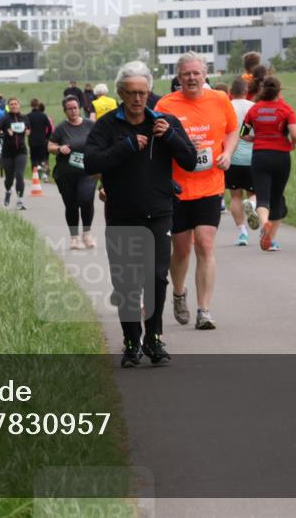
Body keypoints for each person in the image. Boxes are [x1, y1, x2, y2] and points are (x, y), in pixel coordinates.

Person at [84, 61, 197, 368]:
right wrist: (127, 146)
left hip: (159, 212)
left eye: (143, 93)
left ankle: (154, 338)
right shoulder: (107, 126)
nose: (137, 99)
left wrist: (171, 137)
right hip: (121, 214)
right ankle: (132, 341)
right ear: (121, 93)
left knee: (157, 278)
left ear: (150, 93)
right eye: (131, 93)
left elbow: (190, 161)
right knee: (127, 282)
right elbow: (91, 163)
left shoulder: (165, 121)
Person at [156, 52, 238, 330]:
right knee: (181, 251)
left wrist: (227, 153)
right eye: (186, 74)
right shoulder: (166, 105)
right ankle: (179, 293)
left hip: (210, 185)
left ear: (205, 75)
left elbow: (232, 130)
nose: (191, 78)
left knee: (205, 244)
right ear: (178, 78)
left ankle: (204, 310)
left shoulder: (219, 99)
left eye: (196, 73)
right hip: (178, 190)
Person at [241, 76, 296, 251]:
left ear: (262, 90)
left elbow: (242, 133)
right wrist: (292, 144)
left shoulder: (254, 109)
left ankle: (264, 223)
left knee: (262, 196)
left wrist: (253, 138)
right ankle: (271, 239)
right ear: (279, 91)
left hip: (260, 155)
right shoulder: (286, 109)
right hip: (281, 157)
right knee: (276, 197)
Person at [49, 96, 97, 249]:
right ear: (65, 111)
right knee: (71, 205)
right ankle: (74, 237)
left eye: (75, 107)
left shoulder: (90, 125)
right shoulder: (61, 128)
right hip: (66, 173)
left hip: (87, 172)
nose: (73, 111)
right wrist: (58, 149)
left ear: (79, 108)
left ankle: (87, 234)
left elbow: (101, 142)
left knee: (86, 199)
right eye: (69, 108)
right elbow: (50, 146)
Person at [225, 77, 259, 245]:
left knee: (235, 196)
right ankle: (252, 204)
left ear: (231, 92)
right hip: (252, 157)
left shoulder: (227, 107)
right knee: (254, 193)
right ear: (246, 91)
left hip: (232, 157)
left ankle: (242, 232)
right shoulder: (253, 107)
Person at [0, 97, 31, 209]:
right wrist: (5, 133)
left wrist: (28, 132)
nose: (14, 106)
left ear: (19, 105)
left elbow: (29, 129)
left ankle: (20, 201)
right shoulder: (4, 119)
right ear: (8, 106)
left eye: (15, 104)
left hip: (21, 151)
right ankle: (8, 190)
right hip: (8, 152)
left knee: (19, 175)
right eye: (11, 104)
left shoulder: (24, 117)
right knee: (9, 178)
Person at [27, 98, 53, 183]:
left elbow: (26, 128)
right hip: (42, 140)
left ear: (31, 105)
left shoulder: (28, 116)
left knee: (34, 158)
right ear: (38, 105)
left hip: (32, 140)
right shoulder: (43, 115)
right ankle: (45, 175)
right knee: (44, 158)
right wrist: (47, 136)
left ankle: (36, 174)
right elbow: (49, 127)